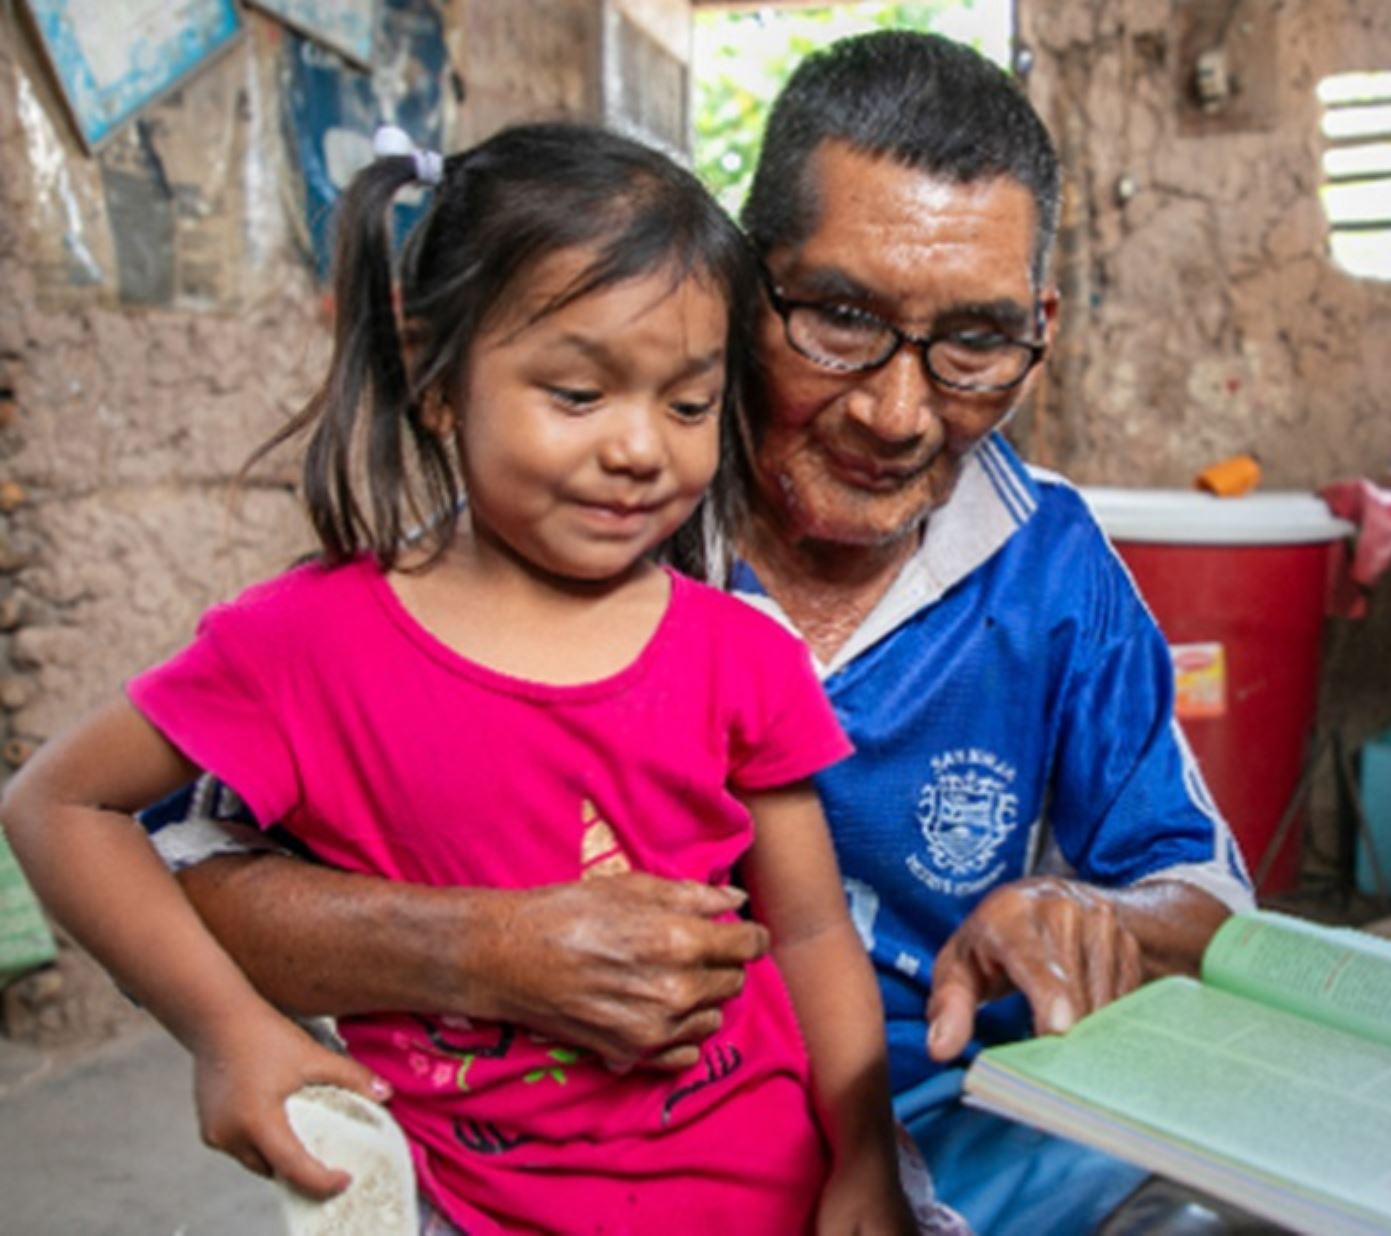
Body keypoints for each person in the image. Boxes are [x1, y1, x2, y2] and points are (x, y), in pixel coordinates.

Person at [152, 32, 1255, 1234]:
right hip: (600, 1169)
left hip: (970, 1129)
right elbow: (187, 877)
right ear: (738, 282)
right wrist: (490, 950)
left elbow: (1207, 904)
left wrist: (1096, 920)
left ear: (1038, 325)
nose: (896, 410)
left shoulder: (1056, 567)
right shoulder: (572, 530)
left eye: (975, 344)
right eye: (839, 317)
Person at [3, 121, 912, 1235]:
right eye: (578, 395)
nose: (641, 448)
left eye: (685, 405)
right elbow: (56, 804)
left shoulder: (742, 653)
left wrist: (863, 1153)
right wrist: (226, 1029)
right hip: (485, 1211)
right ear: (437, 381)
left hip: (772, 1192)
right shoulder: (306, 645)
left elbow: (813, 935)